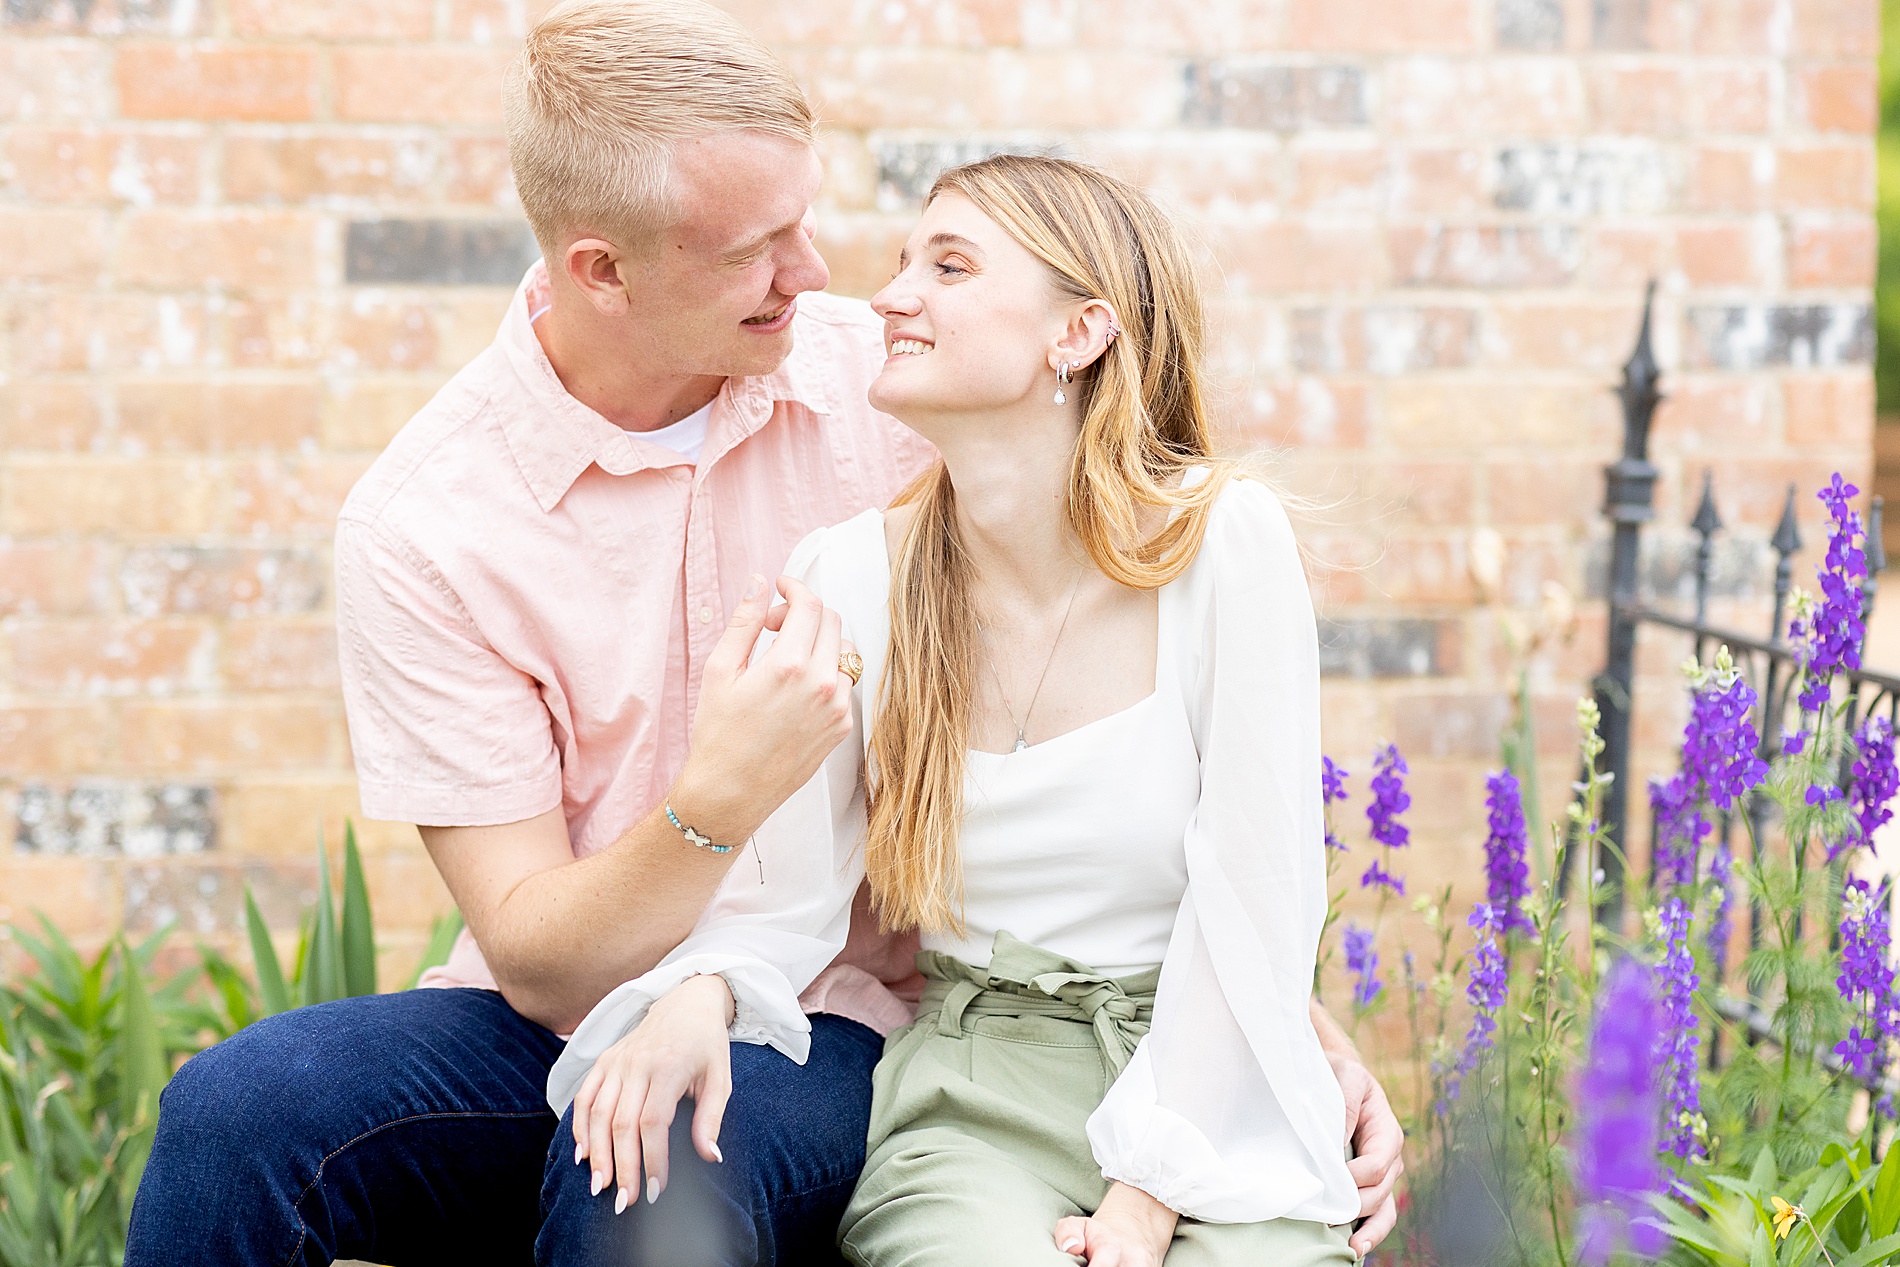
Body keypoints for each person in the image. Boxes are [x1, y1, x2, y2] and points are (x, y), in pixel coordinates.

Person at [124, 2, 1401, 1264]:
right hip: (572, 1011)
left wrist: (1274, 1035)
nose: (819, 273)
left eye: (806, 220)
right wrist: (712, 805)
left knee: (649, 1170)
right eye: (757, 246)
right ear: (602, 270)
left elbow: (1177, 689)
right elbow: (536, 958)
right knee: (237, 1115)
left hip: (840, 1009)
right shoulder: (427, 527)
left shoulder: (896, 383)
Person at [551, 153, 1375, 1267]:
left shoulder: (1223, 544)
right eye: (903, 264)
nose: (890, 295)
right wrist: (699, 993)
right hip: (978, 1090)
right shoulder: (851, 575)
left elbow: (1254, 901)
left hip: (1212, 1085)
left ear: (1076, 333)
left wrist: (1145, 1195)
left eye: (948, 265)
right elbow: (784, 897)